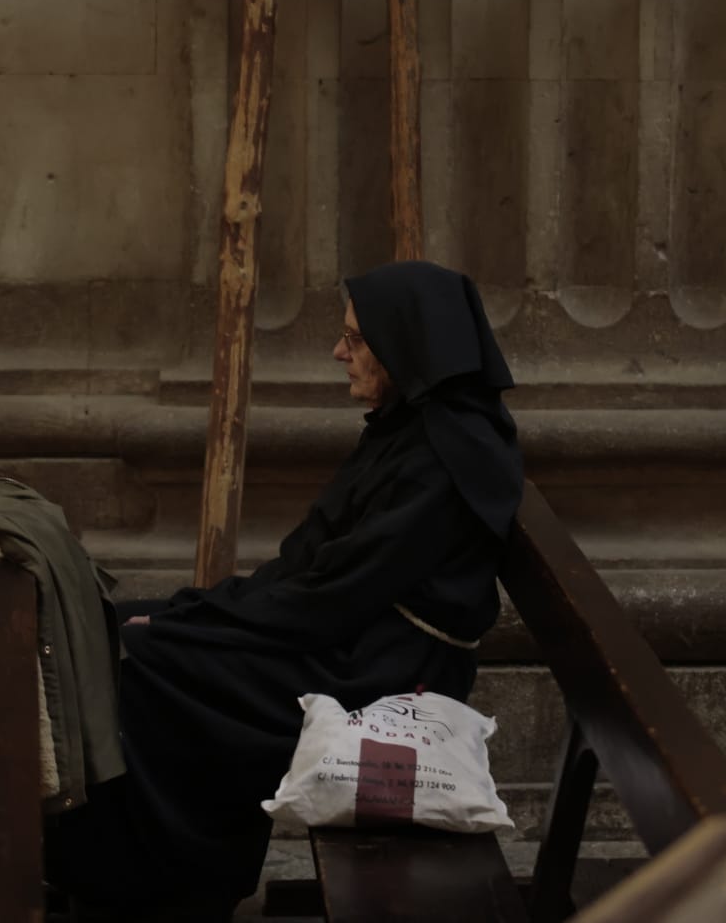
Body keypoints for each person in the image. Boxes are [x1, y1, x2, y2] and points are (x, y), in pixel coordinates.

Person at [47, 261, 524, 919]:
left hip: (383, 669)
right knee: (119, 629)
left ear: (403, 346)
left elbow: (332, 597)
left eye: (355, 339)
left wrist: (201, 621)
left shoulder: (442, 459)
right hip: (353, 638)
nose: (339, 351)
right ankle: (138, 878)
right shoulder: (410, 430)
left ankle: (163, 888)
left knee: (142, 664)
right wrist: (201, 612)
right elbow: (317, 569)